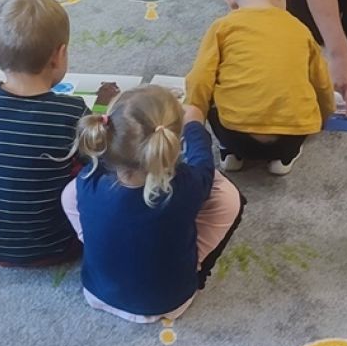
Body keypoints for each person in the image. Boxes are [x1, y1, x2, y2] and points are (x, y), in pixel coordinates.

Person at [62, 86, 245, 323]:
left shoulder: (88, 178)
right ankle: (194, 267)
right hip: (171, 302)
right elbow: (204, 164)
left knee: (71, 193)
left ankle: (105, 247)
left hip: (97, 294)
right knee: (229, 194)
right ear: (171, 141)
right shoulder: (186, 185)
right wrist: (194, 126)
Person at [0, 0, 108, 266]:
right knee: (87, 164)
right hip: (57, 246)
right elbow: (102, 161)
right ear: (59, 56)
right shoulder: (72, 112)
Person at [185, 0, 333, 176]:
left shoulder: (222, 27)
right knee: (304, 91)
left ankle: (230, 153)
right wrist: (325, 115)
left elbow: (199, 78)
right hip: (289, 136)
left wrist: (195, 114)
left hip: (234, 133)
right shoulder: (301, 29)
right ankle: (283, 159)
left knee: (211, 88)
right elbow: (322, 82)